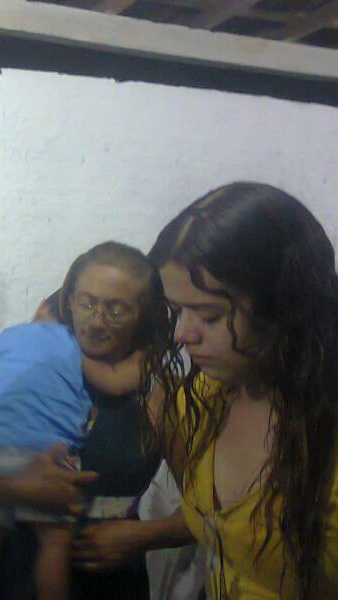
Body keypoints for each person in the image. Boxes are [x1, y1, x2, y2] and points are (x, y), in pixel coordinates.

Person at [145, 182, 338, 599]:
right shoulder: (205, 395)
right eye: (177, 310)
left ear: (284, 306)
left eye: (210, 314)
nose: (182, 333)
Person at [0, 241, 174, 599]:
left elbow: (214, 508)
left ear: (142, 314)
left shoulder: (159, 391)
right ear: (69, 301)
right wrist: (25, 491)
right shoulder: (40, 370)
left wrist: (144, 535)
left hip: (113, 580)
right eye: (87, 303)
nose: (96, 321)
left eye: (116, 309)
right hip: (20, 573)